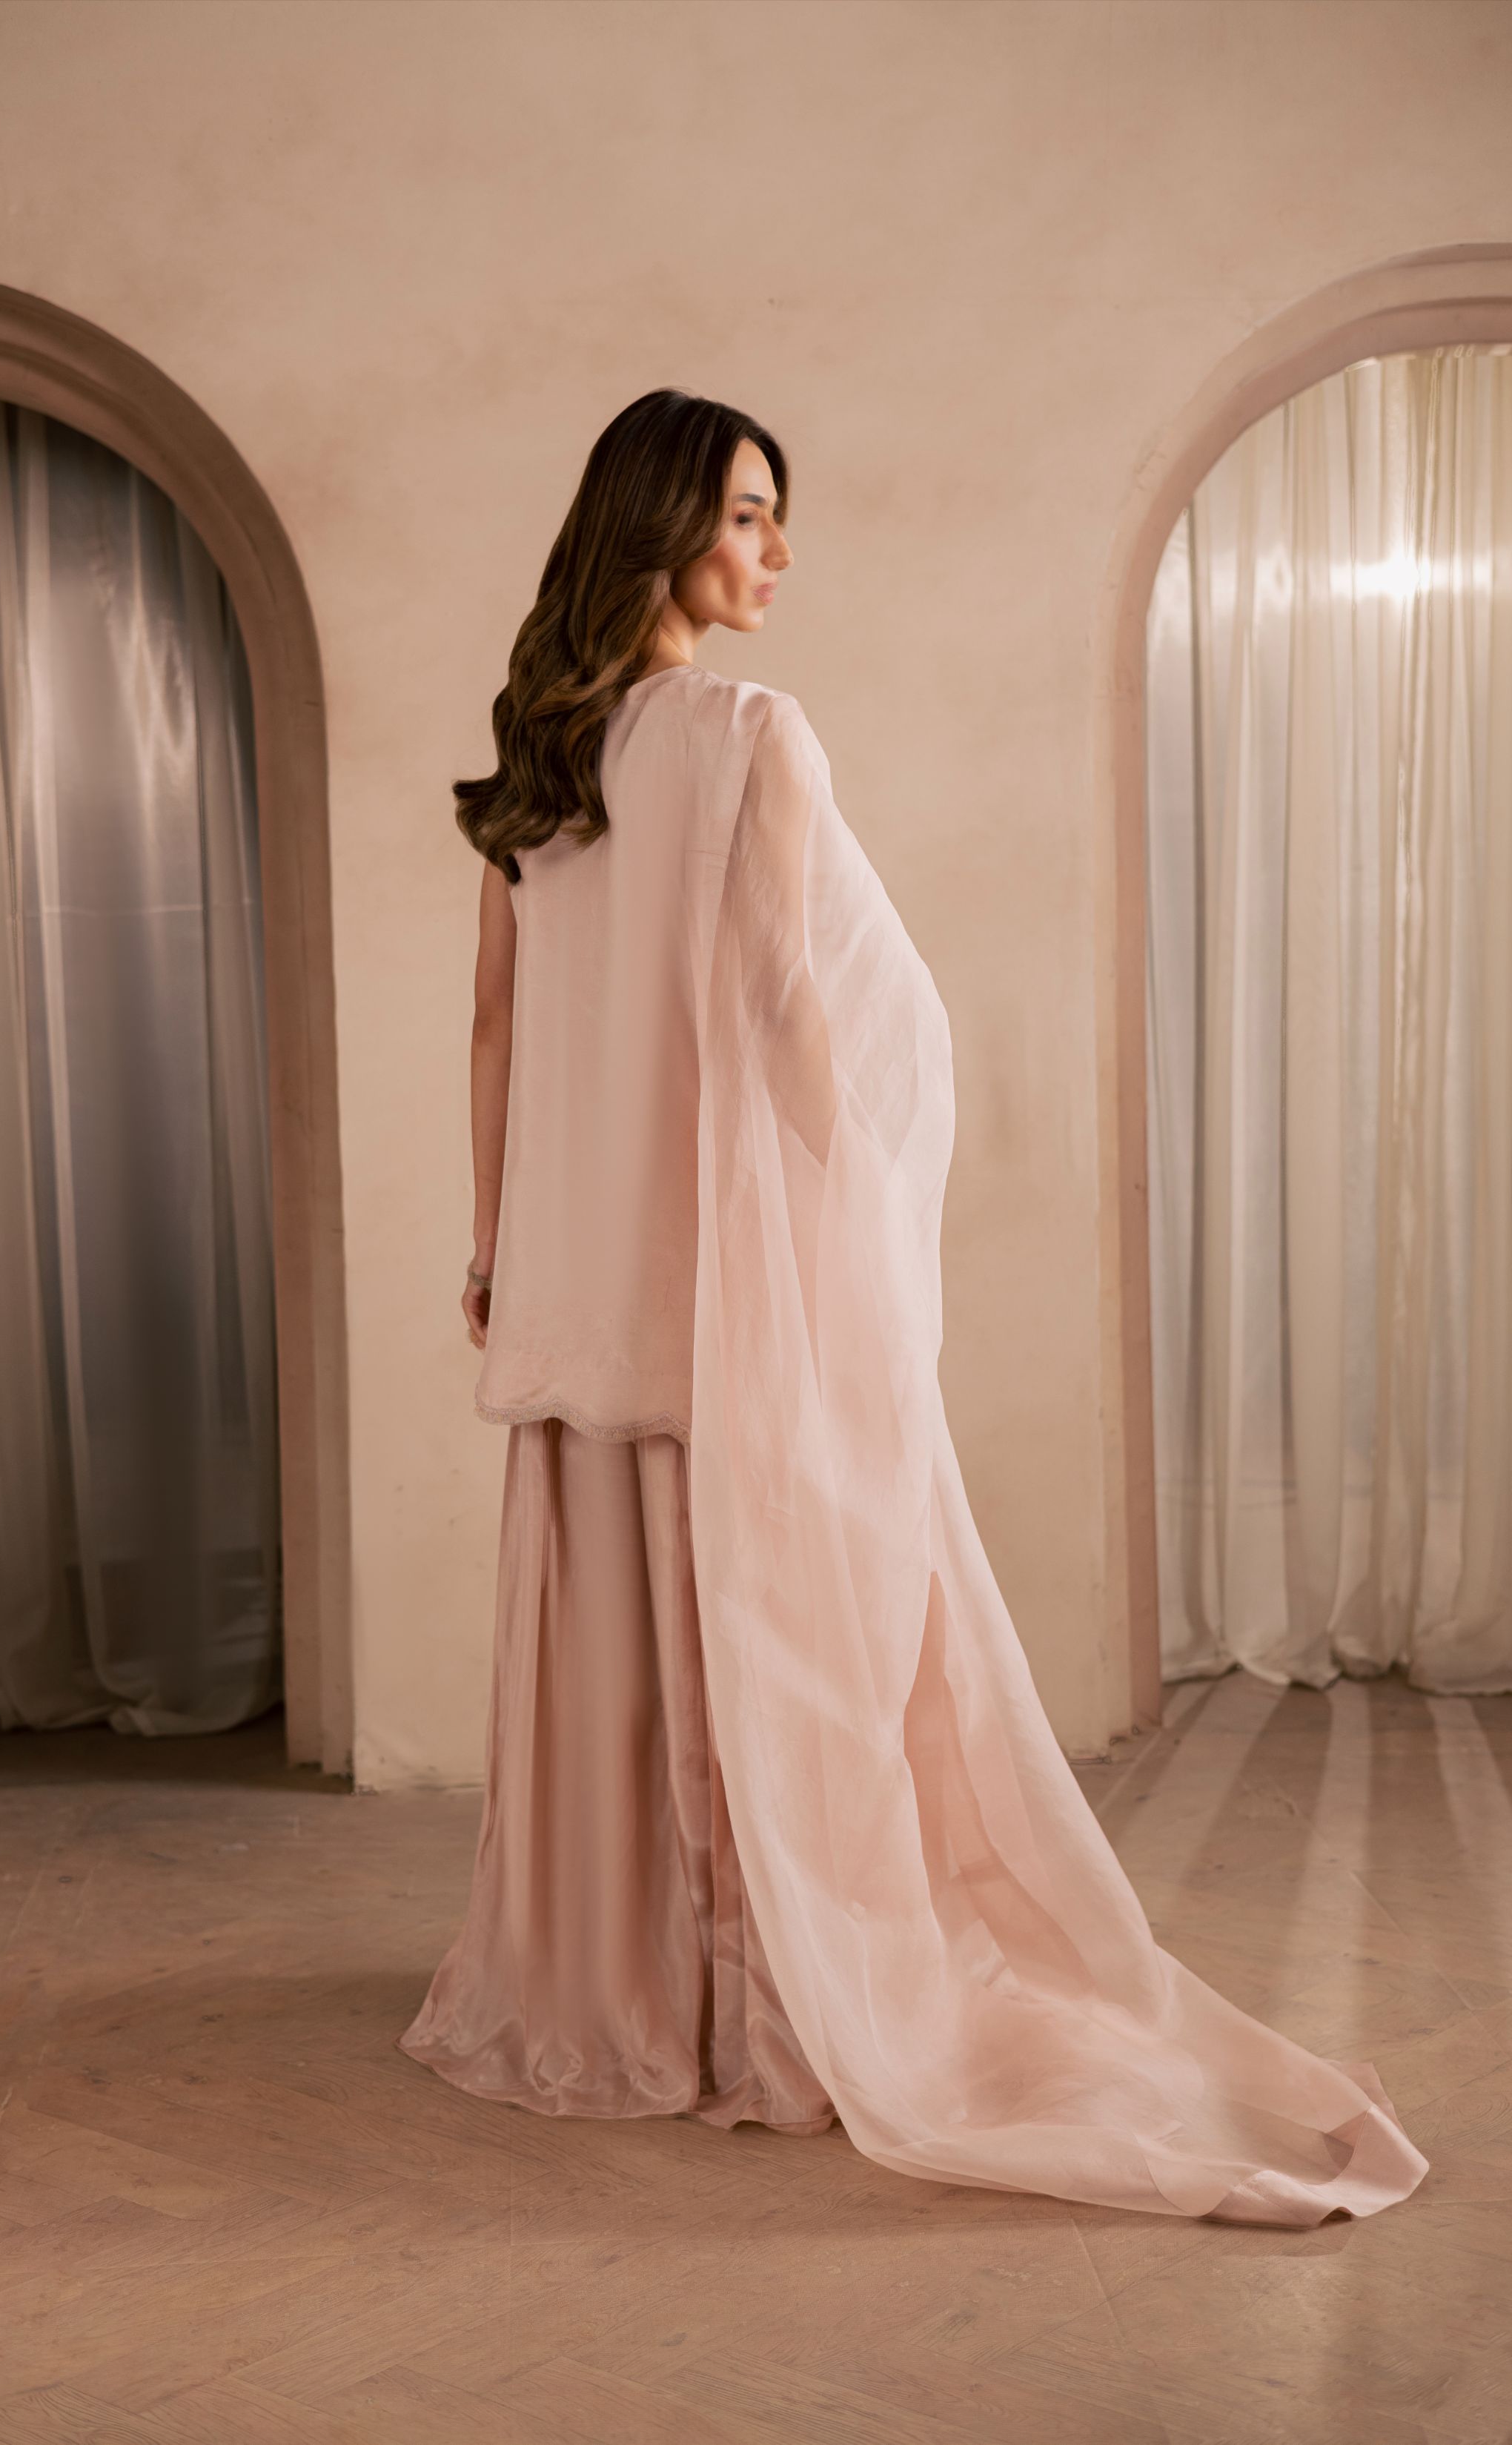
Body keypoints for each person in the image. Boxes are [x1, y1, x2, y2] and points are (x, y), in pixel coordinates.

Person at [399, 388, 1429, 2225]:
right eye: (745, 513)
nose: (775, 552)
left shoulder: (530, 758)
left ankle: (600, 1995)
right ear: (660, 523)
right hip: (709, 1288)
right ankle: (754, 2006)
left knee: (608, 1657)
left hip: (564, 1282)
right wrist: (856, 1193)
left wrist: (491, 1246)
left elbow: (492, 1024)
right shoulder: (748, 735)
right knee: (755, 1642)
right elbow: (786, 1002)